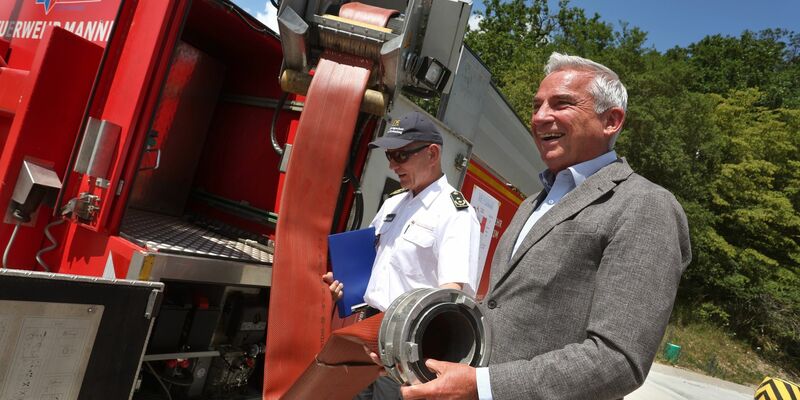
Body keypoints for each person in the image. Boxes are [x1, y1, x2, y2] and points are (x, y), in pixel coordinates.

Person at [399, 53, 692, 400]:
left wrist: (483, 387)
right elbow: (503, 311)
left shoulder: (645, 205)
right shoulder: (531, 203)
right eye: (536, 106)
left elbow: (618, 359)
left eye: (561, 104)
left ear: (611, 120)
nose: (539, 117)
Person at [322, 111, 483, 399]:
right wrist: (345, 287)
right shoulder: (393, 203)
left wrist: (414, 359)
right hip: (366, 332)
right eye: (389, 156)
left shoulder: (455, 213)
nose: (393, 165)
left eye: (401, 156)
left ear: (432, 153)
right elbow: (373, 265)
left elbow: (452, 294)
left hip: (404, 345)